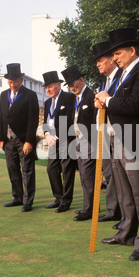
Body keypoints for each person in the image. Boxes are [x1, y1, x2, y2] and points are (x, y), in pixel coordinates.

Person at [95, 27, 139, 261]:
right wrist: (104, 102)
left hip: (136, 142)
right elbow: (117, 102)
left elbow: (135, 105)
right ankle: (126, 233)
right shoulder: (124, 75)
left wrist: (109, 100)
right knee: (125, 193)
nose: (115, 59)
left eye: (119, 54)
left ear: (132, 50)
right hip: (118, 140)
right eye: (113, 55)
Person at [0, 63, 39, 212]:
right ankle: (17, 197)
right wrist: (1, 138)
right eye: (10, 82)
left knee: (27, 170)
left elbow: (33, 120)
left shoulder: (30, 95)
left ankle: (28, 201)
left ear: (21, 80)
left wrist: (29, 141)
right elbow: (2, 118)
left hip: (23, 139)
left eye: (15, 81)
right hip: (8, 140)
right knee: (12, 169)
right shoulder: (3, 95)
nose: (13, 85)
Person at [91, 41, 123, 226]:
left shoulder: (121, 77)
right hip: (105, 134)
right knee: (110, 174)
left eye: (100, 60)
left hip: (119, 133)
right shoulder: (106, 81)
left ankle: (124, 214)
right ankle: (113, 210)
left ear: (111, 59)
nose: (98, 64)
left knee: (121, 176)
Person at [61, 65, 97, 221]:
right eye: (68, 86)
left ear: (81, 80)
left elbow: (97, 122)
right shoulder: (76, 98)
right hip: (77, 141)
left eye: (72, 84)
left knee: (88, 176)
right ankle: (86, 206)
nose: (70, 88)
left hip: (89, 141)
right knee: (83, 176)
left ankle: (89, 211)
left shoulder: (91, 96)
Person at [42, 71, 76, 213]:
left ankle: (66, 201)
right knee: (51, 169)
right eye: (46, 87)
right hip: (53, 141)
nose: (48, 90)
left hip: (66, 140)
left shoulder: (69, 98)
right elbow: (45, 122)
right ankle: (58, 198)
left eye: (51, 86)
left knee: (67, 171)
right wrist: (47, 134)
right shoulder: (47, 102)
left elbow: (70, 119)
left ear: (58, 84)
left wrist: (58, 135)